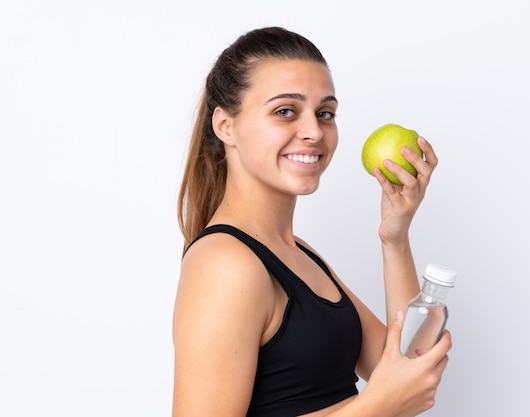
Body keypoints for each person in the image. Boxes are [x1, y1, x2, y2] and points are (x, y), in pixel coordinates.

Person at [172, 26, 452, 417]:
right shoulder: (226, 264)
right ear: (225, 125)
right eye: (285, 111)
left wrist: (396, 238)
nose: (314, 132)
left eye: (325, 114)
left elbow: (411, 365)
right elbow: (391, 397)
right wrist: (375, 406)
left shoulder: (297, 253)